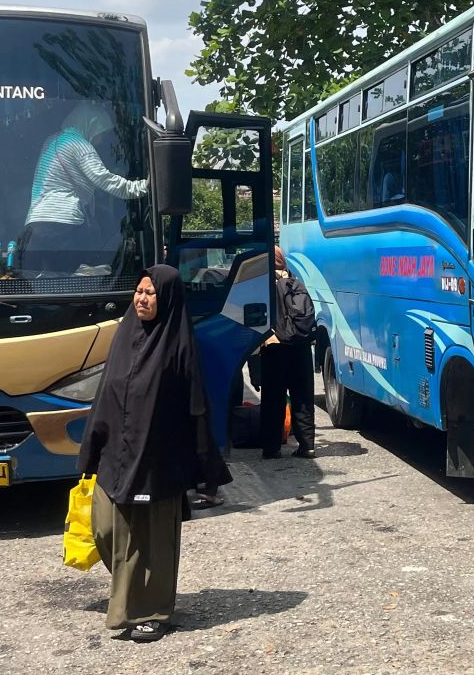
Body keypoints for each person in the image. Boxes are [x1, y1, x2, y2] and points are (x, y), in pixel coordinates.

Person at [77, 265, 231, 642]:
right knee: (106, 528)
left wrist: (203, 469)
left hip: (159, 460)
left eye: (151, 294)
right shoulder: (125, 335)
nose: (142, 299)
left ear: (167, 300)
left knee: (153, 540)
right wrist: (91, 450)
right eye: (139, 291)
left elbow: (196, 409)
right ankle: (136, 594)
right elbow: (104, 397)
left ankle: (152, 611)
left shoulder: (177, 346)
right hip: (118, 455)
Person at [21, 105, 148, 273]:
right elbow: (104, 179)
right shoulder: (80, 145)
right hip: (65, 221)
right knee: (92, 263)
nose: (101, 140)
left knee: (49, 275)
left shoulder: (52, 141)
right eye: (101, 133)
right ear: (91, 126)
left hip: (36, 222)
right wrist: (141, 187)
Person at [259, 247, 317, 459]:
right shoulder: (294, 280)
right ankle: (307, 445)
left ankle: (272, 447)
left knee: (273, 398)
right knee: (302, 396)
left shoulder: (264, 282)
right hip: (300, 345)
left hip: (275, 345)